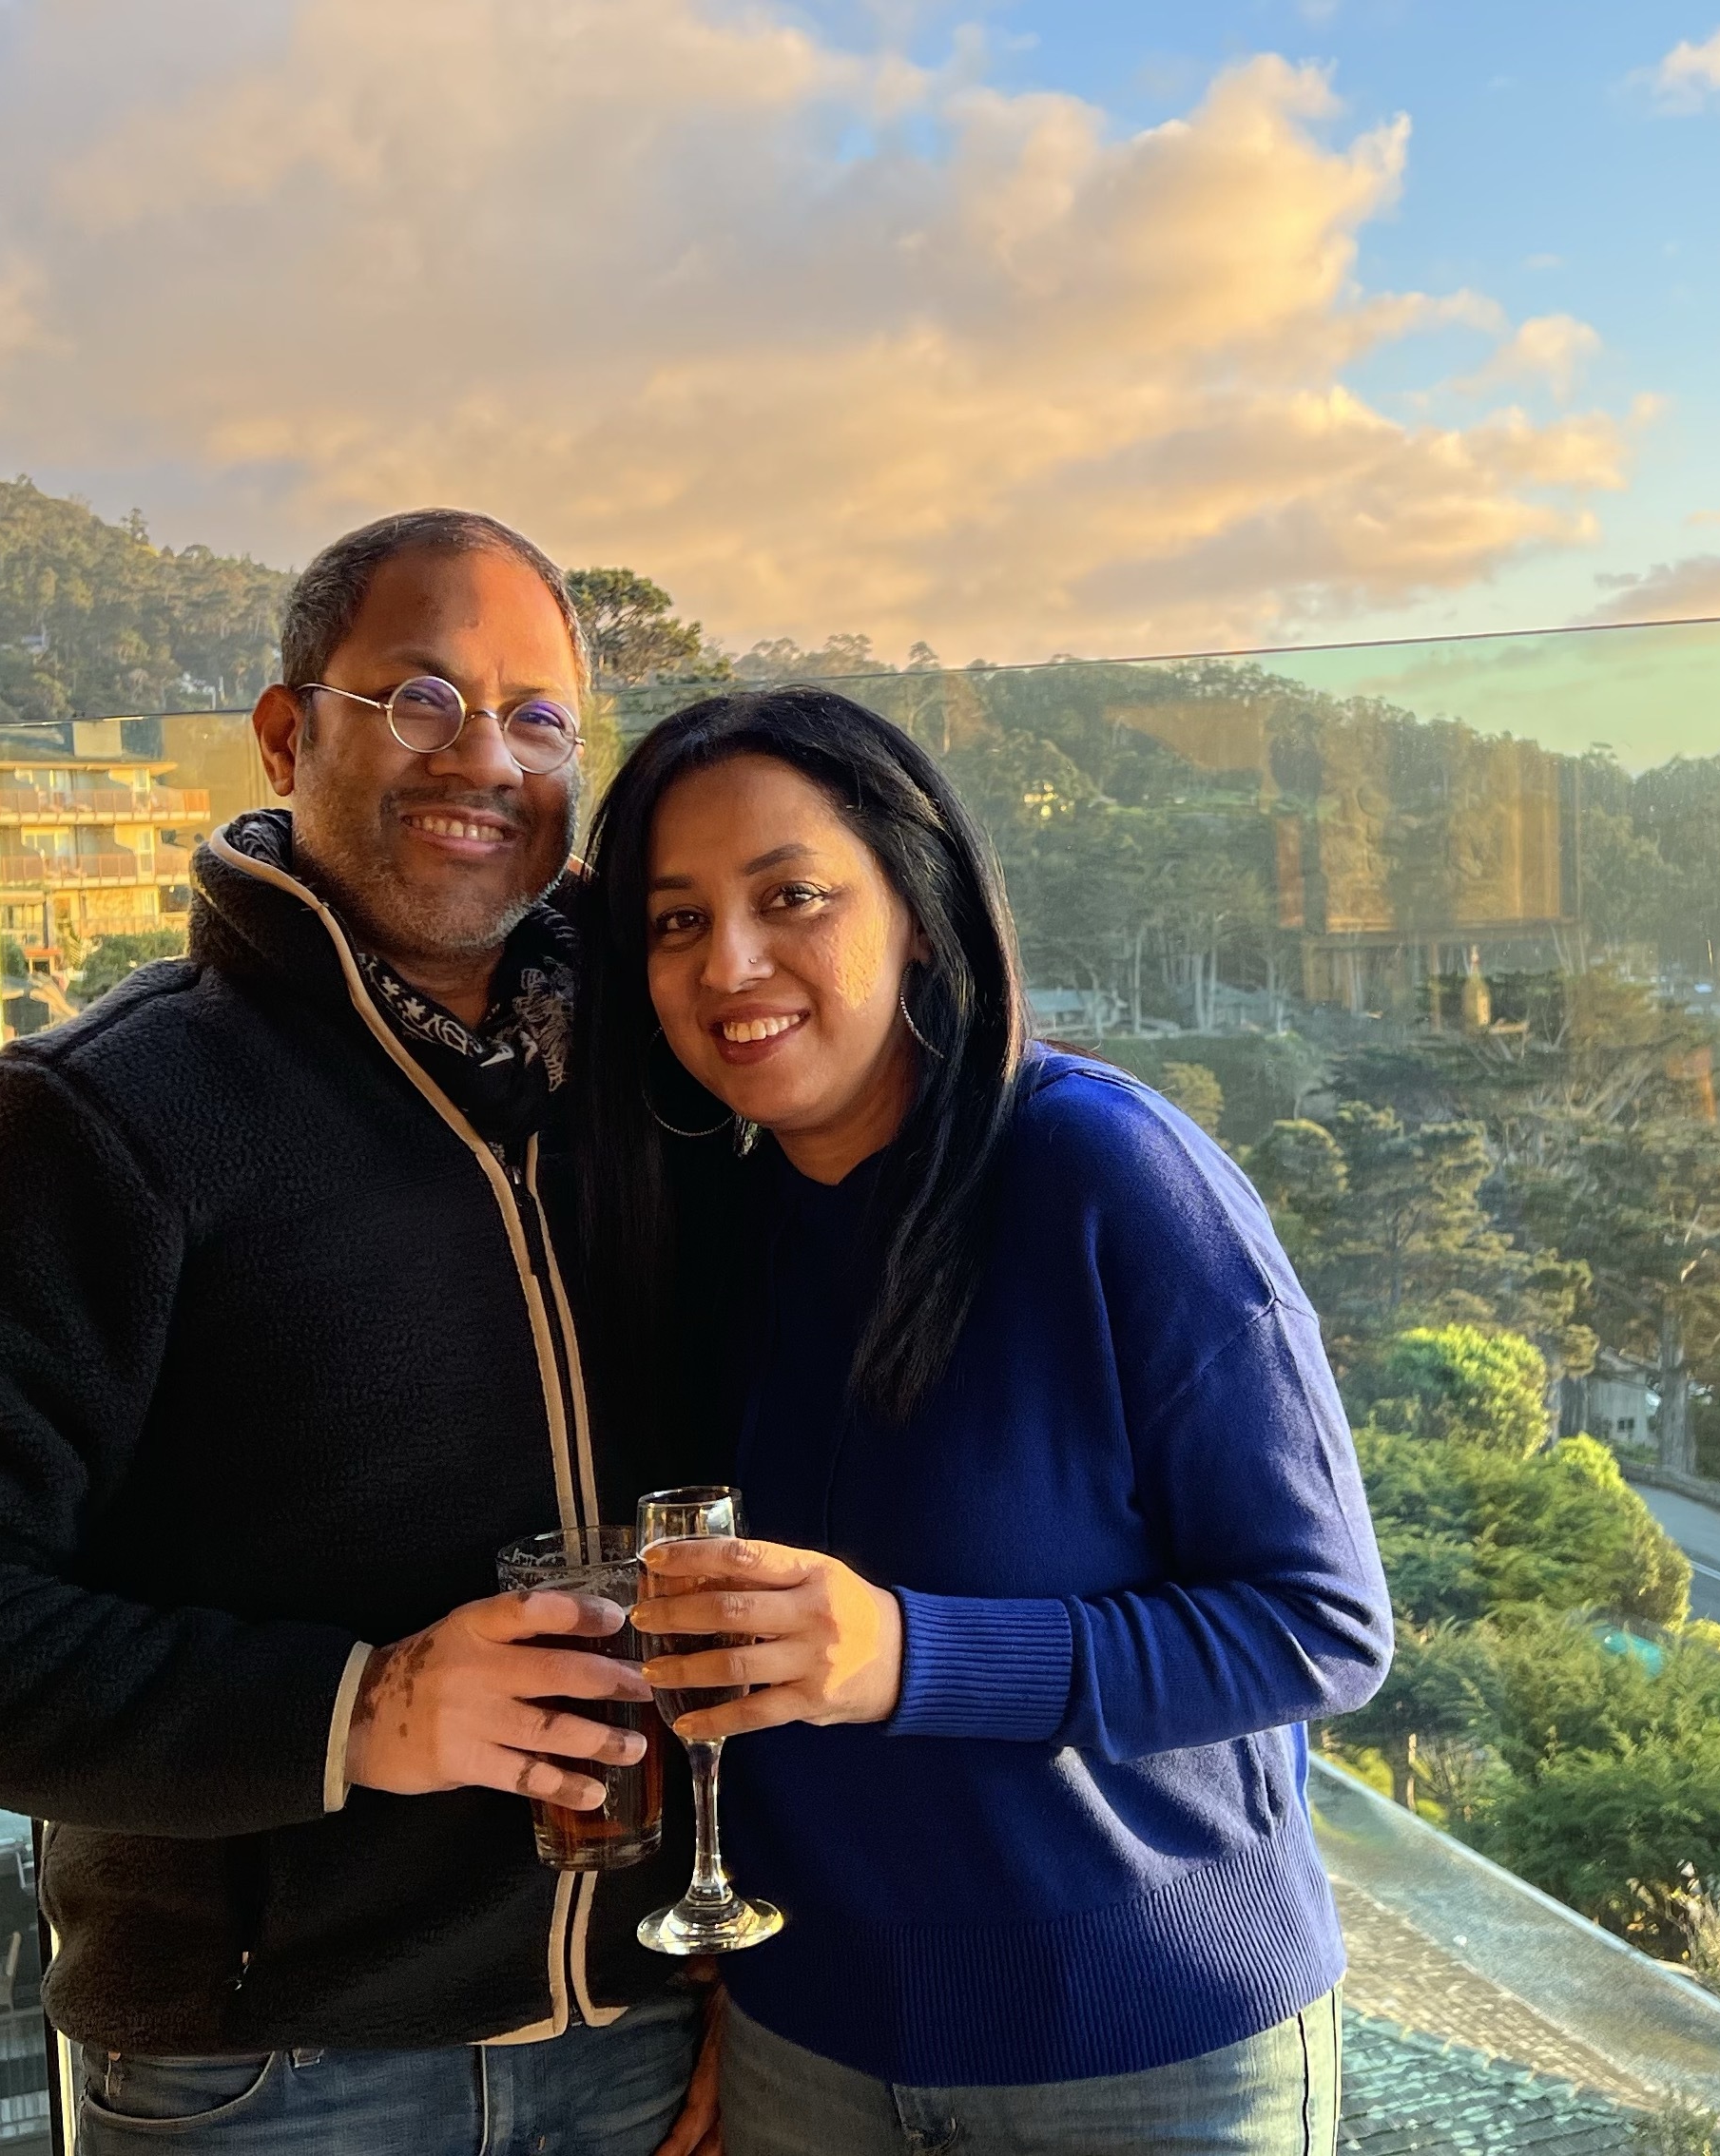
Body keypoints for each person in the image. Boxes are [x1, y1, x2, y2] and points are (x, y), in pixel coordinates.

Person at [577, 685, 1393, 2156]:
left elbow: (1319, 1627)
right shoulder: (718, 1238)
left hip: (1152, 2057)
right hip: (806, 2049)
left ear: (921, 910)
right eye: (676, 921)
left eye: (792, 896)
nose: (730, 962)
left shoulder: (1106, 1176)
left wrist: (907, 1655)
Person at [0, 510, 718, 2152]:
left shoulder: (668, 1091)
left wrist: (738, 1985)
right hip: (268, 2072)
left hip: (643, 2035)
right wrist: (361, 1707)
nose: (485, 757)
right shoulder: (95, 1121)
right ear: (283, 734)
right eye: (420, 698)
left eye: (537, 717)